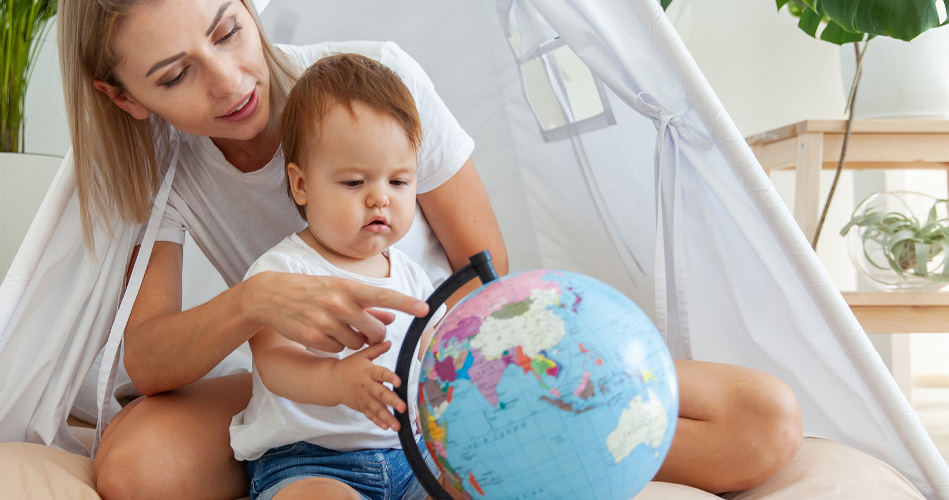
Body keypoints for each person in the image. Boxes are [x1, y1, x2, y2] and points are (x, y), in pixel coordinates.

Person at [12, 0, 798, 498]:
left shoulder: (372, 78)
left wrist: (455, 392)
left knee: (761, 422)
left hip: (447, 354)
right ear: (127, 99)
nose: (228, 83)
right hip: (313, 387)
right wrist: (256, 303)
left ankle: (537, 460)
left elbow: (481, 260)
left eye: (227, 30)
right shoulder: (160, 170)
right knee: (135, 465)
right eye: (177, 74)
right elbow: (148, 360)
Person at [229, 52, 445, 500]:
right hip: (310, 462)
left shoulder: (412, 277)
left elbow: (439, 353)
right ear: (301, 185)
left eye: (399, 182)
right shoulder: (282, 271)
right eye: (354, 183)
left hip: (413, 456)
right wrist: (335, 380)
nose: (379, 199)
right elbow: (275, 364)